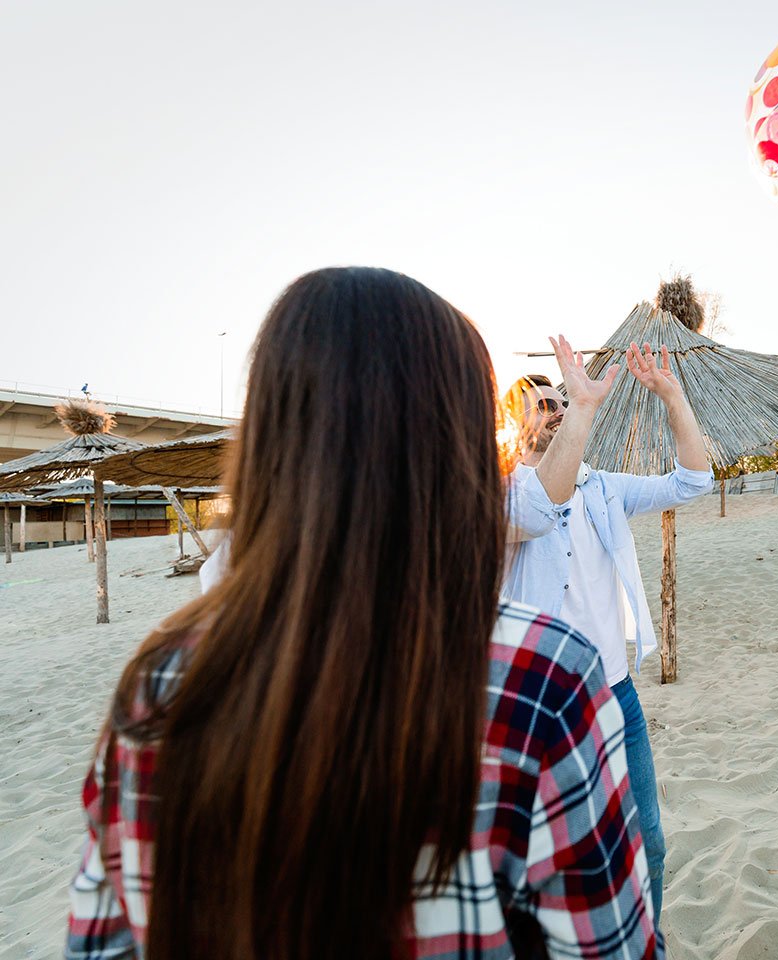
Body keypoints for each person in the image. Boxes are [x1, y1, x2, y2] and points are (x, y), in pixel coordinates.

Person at [65, 267, 662, 960]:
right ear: (459, 440)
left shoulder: (158, 684)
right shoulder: (541, 679)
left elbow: (99, 944)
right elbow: (610, 946)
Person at [504, 335, 714, 929]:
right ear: (513, 423)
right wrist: (581, 407)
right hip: (540, 707)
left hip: (616, 695)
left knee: (649, 843)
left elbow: (692, 482)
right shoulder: (499, 495)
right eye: (544, 405)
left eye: (561, 402)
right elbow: (538, 509)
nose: (556, 410)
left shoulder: (602, 487)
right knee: (552, 859)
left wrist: (672, 396)